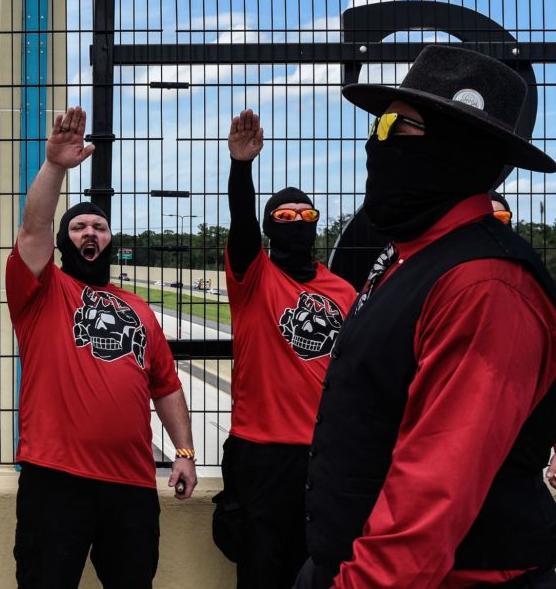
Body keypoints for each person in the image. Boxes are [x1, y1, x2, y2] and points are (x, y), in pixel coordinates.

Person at [296, 45, 556, 588]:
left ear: (455, 146)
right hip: (349, 563)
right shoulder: (411, 256)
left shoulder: (485, 283)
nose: (375, 142)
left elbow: (433, 494)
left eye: (395, 125)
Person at [6, 106, 198, 589]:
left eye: (99, 227)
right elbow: (32, 231)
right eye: (78, 227)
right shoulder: (41, 291)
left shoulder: (139, 309)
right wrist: (54, 166)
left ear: (111, 240)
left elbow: (168, 388)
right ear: (63, 242)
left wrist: (185, 452)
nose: (89, 233)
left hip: (130, 485)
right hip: (55, 480)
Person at [217, 109, 356, 588]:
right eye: (283, 217)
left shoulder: (343, 292)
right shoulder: (253, 277)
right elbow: (240, 224)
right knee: (261, 569)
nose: (296, 223)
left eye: (306, 216)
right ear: (269, 227)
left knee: (321, 569)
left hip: (326, 454)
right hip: (261, 452)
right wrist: (241, 166)